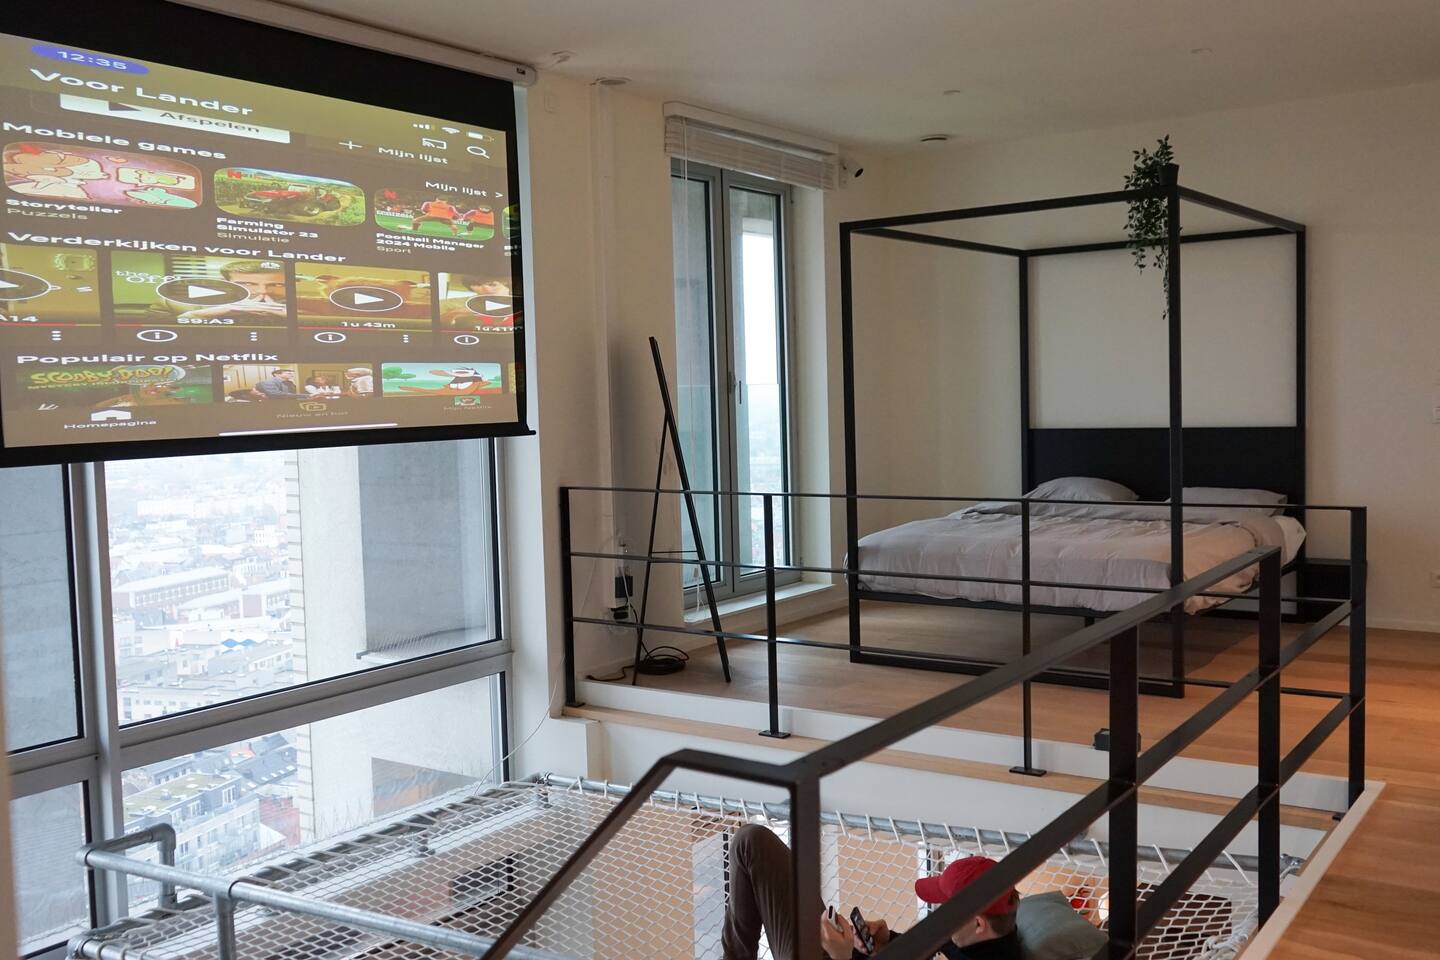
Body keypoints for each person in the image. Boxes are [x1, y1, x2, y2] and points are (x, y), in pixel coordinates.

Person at [723, 824, 1020, 960]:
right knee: (751, 841)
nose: (941, 912)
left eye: (947, 907)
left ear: (978, 923)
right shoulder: (975, 937)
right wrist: (886, 941)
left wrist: (841, 956)